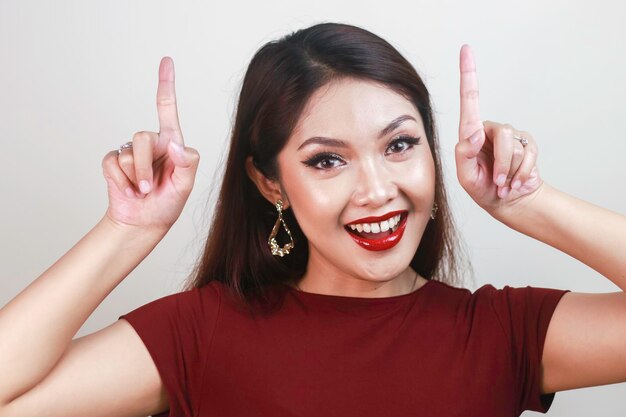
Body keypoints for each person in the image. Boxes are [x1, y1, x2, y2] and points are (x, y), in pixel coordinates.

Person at [0, 22, 624, 417]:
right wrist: (128, 230)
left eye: (400, 145)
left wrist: (528, 202)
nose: (377, 190)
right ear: (270, 182)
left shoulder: (502, 333)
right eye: (327, 160)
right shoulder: (203, 333)